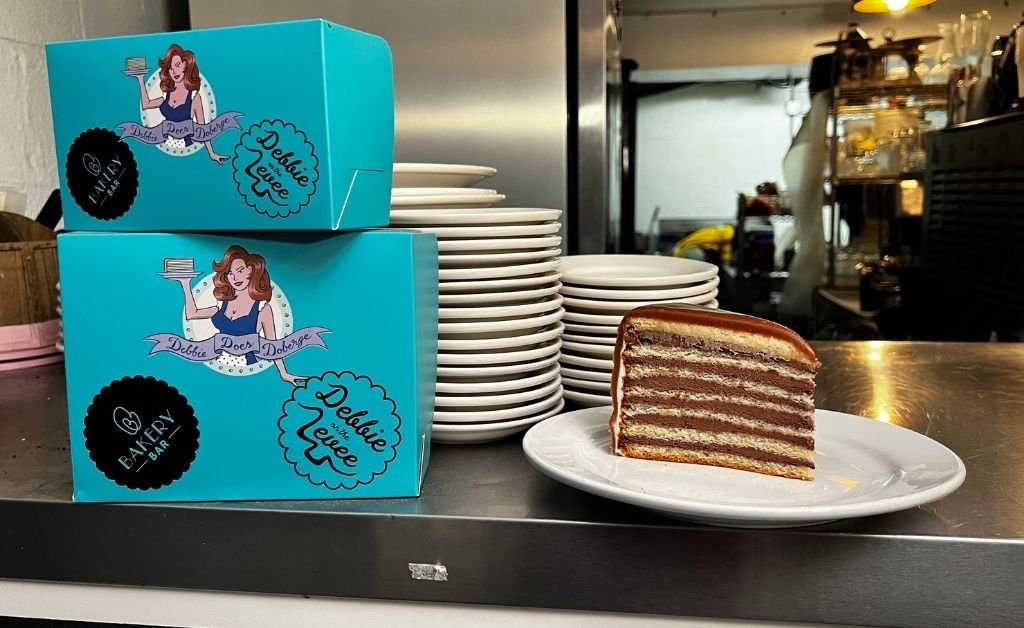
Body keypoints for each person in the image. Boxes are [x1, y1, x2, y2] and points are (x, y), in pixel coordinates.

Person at [172, 245, 303, 385]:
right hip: (218, 365)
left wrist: (283, 373)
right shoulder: (222, 304)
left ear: (251, 270)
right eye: (230, 273)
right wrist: (186, 285)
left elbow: (273, 345)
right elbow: (192, 314)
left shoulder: (262, 308)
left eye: (240, 271)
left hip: (246, 365)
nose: (235, 278)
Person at [132, 43, 227, 164]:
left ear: (185, 65)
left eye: (177, 65)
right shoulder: (166, 95)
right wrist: (140, 79)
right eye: (171, 68)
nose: (174, 71)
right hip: (164, 148)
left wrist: (211, 153)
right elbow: (146, 104)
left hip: (185, 148)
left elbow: (204, 130)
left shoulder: (194, 97)